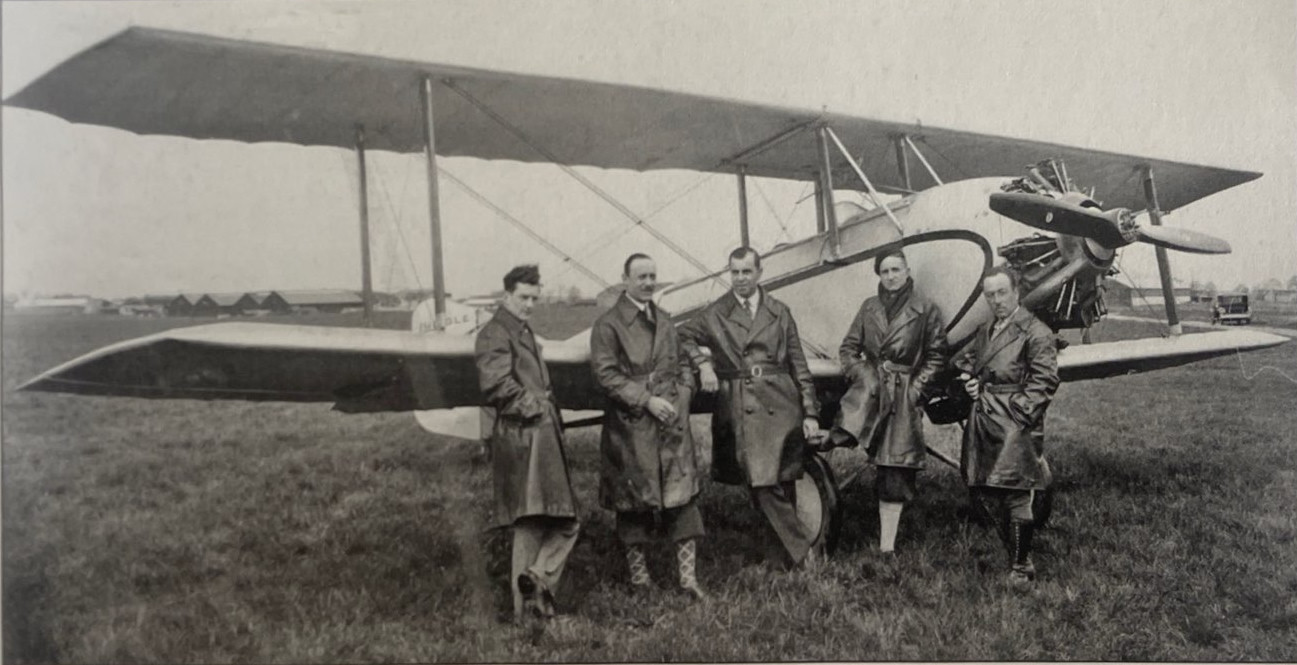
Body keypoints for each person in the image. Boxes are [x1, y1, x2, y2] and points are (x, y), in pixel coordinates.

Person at [679, 247, 821, 567]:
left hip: (782, 401)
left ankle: (777, 561)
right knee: (761, 480)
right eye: (734, 272)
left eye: (746, 272)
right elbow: (681, 336)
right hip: (743, 403)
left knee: (783, 478)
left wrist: (810, 412)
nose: (740, 279)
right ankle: (804, 553)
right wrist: (703, 365)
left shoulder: (780, 311)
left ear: (760, 272)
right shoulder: (716, 312)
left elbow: (799, 364)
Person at [589, 253, 706, 599]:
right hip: (632, 425)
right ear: (624, 279)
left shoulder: (666, 320)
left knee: (683, 500)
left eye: (653, 276)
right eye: (641, 276)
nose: (648, 282)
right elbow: (606, 374)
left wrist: (683, 396)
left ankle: (688, 581)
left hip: (670, 422)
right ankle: (640, 581)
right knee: (633, 504)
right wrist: (646, 401)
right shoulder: (608, 325)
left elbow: (683, 361)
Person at [474, 265, 580, 621]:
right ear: (506, 296)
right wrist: (537, 408)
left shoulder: (518, 329)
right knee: (556, 521)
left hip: (534, 434)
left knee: (536, 521)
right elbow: (495, 384)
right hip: (525, 434)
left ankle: (531, 593)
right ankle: (533, 593)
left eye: (535, 298)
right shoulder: (495, 333)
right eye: (523, 297)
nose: (530, 304)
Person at [827, 249, 948, 554]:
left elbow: (936, 355)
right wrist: (865, 376)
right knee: (842, 436)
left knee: (895, 468)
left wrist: (915, 390)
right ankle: (837, 436)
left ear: (908, 271)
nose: (891, 276)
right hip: (872, 390)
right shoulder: (869, 307)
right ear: (878, 275)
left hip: (903, 393)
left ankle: (886, 547)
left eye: (896, 269)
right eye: (885, 271)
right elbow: (848, 349)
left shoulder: (926, 308)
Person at [955, 265, 1059, 586]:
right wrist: (971, 382)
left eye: (1002, 292)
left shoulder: (1035, 331)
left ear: (1016, 292)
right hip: (985, 416)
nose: (996, 300)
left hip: (1014, 421)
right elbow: (968, 361)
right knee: (980, 488)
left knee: (1015, 493)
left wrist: (1020, 416)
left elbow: (1045, 381)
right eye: (990, 295)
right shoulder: (986, 329)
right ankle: (1016, 554)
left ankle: (1021, 566)